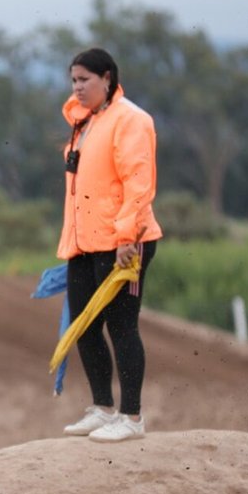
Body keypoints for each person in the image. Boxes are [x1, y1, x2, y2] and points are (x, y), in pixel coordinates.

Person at [56, 47, 163, 443]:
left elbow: (139, 184)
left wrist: (126, 239)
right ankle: (102, 408)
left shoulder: (131, 119)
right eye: (73, 80)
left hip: (125, 243)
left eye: (85, 79)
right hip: (84, 244)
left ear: (107, 78)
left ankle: (131, 416)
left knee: (121, 326)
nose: (78, 87)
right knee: (84, 326)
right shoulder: (85, 122)